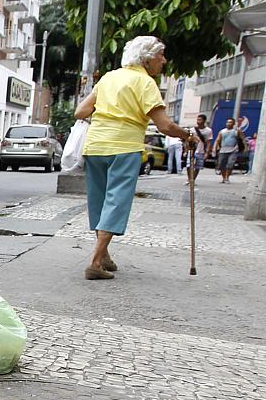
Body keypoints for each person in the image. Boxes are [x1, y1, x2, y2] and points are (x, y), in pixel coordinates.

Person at [73, 36, 197, 280]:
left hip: (95, 146)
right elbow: (165, 125)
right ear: (147, 58)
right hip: (124, 147)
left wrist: (109, 113)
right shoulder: (145, 83)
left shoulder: (109, 77)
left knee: (99, 201)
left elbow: (81, 111)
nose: (164, 60)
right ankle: (96, 262)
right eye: (161, 55)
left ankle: (104, 254)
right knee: (116, 201)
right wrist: (187, 136)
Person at [186, 114, 213, 185]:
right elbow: (187, 141)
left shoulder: (208, 131)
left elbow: (208, 142)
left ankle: (193, 180)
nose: (198, 121)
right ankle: (189, 179)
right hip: (192, 150)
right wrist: (186, 150)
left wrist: (207, 153)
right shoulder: (192, 130)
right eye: (197, 120)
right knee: (189, 165)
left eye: (200, 120)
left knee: (198, 166)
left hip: (201, 150)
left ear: (204, 121)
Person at [214, 118, 240, 184]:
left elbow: (242, 139)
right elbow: (217, 140)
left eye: (230, 122)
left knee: (230, 164)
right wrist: (214, 148)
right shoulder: (222, 131)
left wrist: (245, 147)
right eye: (227, 122)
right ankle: (223, 178)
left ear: (233, 124)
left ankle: (227, 178)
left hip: (233, 150)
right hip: (223, 150)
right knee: (221, 165)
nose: (228, 123)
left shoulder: (236, 131)